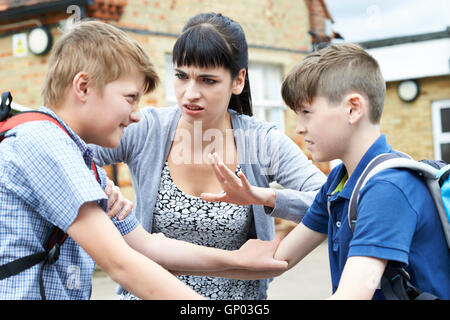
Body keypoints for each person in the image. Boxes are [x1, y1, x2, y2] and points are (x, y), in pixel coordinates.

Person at [0, 20, 288, 300]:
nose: (137, 114)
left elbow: (148, 246)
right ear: (84, 87)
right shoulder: (44, 145)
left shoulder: (81, 162)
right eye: (130, 98)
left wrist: (237, 258)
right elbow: (123, 264)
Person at [91, 12, 326, 300]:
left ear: (238, 81)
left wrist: (265, 198)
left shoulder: (261, 142)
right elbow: (69, 151)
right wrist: (102, 187)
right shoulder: (146, 129)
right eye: (180, 76)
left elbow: (328, 200)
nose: (190, 93)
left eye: (207, 80)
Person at [211, 43, 450, 299]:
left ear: (353, 109)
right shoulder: (339, 180)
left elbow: (351, 295)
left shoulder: (388, 188)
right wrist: (170, 260)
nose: (300, 128)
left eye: (306, 112)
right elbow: (277, 259)